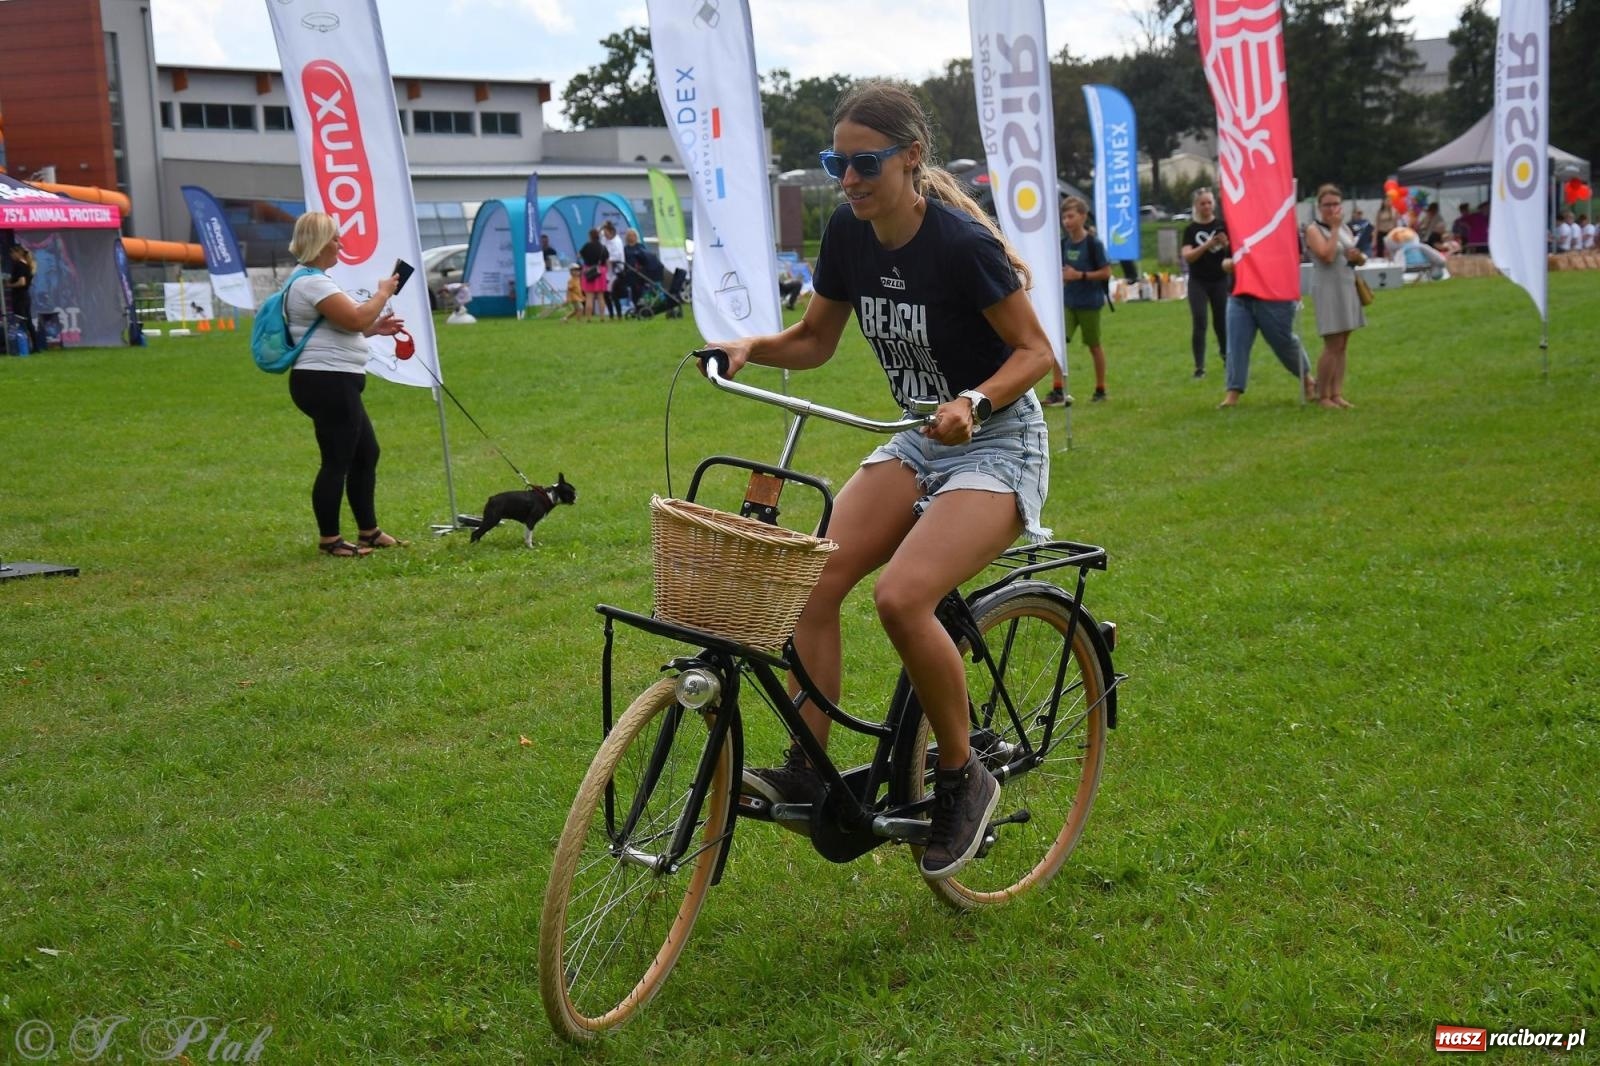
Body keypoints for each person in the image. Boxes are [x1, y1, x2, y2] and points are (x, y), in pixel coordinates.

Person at [705, 81, 1054, 881]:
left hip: (997, 443)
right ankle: (808, 760)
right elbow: (816, 339)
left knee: (900, 597)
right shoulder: (849, 235)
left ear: (912, 158)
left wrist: (975, 398)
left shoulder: (960, 245)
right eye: (838, 163)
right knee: (811, 580)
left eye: (865, 163)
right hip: (920, 439)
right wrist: (751, 346)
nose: (850, 179)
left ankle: (965, 775)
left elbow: (1037, 355)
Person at [282, 211, 408, 557]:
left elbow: (342, 326)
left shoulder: (311, 280)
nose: (341, 244)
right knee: (336, 460)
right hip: (327, 382)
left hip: (333, 380)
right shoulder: (313, 283)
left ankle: (368, 531)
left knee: (366, 453)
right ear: (321, 243)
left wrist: (374, 329)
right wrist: (383, 294)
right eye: (336, 238)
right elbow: (353, 318)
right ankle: (330, 540)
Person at [1304, 184, 1366, 410]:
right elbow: (1327, 255)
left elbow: (1359, 259)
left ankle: (1337, 392)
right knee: (1332, 343)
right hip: (1328, 288)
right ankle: (1323, 395)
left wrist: (1357, 257)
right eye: (1327, 205)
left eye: (1336, 204)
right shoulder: (1314, 230)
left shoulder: (1346, 229)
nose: (1332, 209)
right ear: (1319, 207)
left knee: (1343, 344)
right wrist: (1334, 229)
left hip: (1347, 286)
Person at [1059, 197, 1112, 401]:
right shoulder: (1063, 243)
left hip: (1090, 302)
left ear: (1083, 216)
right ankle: (1057, 389)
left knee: (1094, 345)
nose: (1067, 221)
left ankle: (1100, 389)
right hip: (1068, 301)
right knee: (1057, 344)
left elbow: (1106, 272)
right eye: (1064, 217)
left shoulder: (1093, 244)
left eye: (1071, 216)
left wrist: (1079, 275)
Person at [1180, 187, 1233, 379]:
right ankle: (1199, 366)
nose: (1206, 206)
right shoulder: (1191, 230)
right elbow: (1188, 256)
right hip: (1198, 281)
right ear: (1196, 206)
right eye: (1202, 203)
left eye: (1209, 202)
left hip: (1219, 279)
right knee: (1200, 321)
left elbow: (1234, 252)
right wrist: (1207, 245)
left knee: (1222, 322)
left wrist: (1225, 244)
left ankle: (1228, 359)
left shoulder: (1223, 225)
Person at [5, 245, 41, 353]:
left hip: (19, 297)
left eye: (12, 253)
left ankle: (24, 346)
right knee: (28, 321)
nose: (11, 256)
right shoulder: (27, 265)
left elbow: (22, 282)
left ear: (18, 253)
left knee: (22, 321)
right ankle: (35, 346)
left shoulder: (19, 265)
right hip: (25, 296)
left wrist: (9, 285)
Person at [577, 228, 608, 322]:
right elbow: (606, 260)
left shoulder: (586, 246)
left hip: (588, 271)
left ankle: (589, 318)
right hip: (600, 271)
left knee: (589, 297)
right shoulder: (603, 247)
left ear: (590, 236)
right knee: (600, 296)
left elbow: (578, 255)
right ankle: (602, 317)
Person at [600, 220, 626, 318]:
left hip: (616, 271)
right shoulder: (604, 239)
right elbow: (599, 233)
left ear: (612, 232)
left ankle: (619, 314)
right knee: (605, 293)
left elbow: (618, 256)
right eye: (605, 233)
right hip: (607, 271)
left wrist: (608, 260)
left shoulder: (617, 241)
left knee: (614, 294)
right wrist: (603, 226)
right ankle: (611, 314)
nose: (605, 236)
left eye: (607, 234)